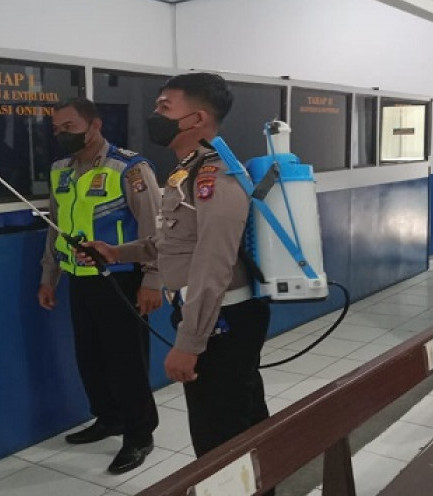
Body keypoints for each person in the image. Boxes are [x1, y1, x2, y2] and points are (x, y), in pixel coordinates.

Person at [81, 73, 272, 461]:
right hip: (214, 318)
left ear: (197, 118)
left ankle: (240, 485)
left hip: (223, 323)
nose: (155, 114)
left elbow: (213, 265)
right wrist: (116, 252)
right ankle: (260, 481)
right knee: (240, 423)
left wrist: (189, 344)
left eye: (165, 107)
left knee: (220, 438)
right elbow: (173, 244)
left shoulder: (214, 177)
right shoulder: (187, 171)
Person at [37, 97, 161, 474]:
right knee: (90, 357)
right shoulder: (60, 171)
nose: (62, 134)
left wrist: (153, 280)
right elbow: (55, 228)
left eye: (69, 127)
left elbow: (155, 232)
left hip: (121, 279)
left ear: (95, 125)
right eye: (57, 129)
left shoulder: (129, 168)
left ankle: (139, 435)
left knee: (127, 362)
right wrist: (49, 277)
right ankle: (109, 418)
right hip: (80, 279)